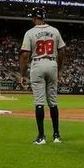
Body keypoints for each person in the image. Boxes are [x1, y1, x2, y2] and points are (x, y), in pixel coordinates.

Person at [19, 8, 65, 144]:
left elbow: (25, 55)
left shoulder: (30, 33)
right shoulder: (55, 31)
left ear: (34, 18)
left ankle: (41, 137)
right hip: (52, 63)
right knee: (53, 102)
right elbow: (62, 51)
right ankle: (56, 136)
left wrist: (22, 75)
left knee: (39, 102)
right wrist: (59, 69)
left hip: (37, 64)